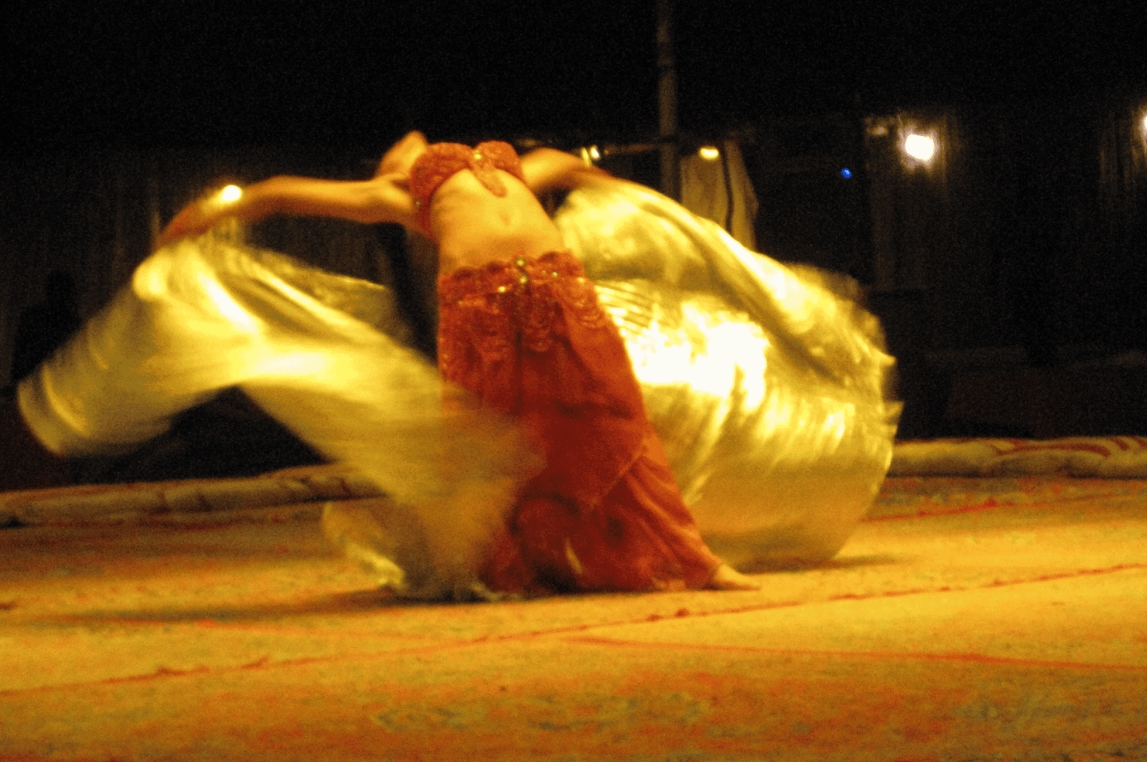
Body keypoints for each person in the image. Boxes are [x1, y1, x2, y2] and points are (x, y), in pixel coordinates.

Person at [159, 134, 754, 595]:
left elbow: (566, 164)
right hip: (481, 310)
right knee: (488, 442)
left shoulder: (515, 172)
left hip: (560, 293)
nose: (410, 144)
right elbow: (281, 191)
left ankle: (697, 561)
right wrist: (203, 218)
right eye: (399, 154)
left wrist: (633, 199)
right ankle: (492, 559)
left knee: (618, 424)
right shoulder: (390, 197)